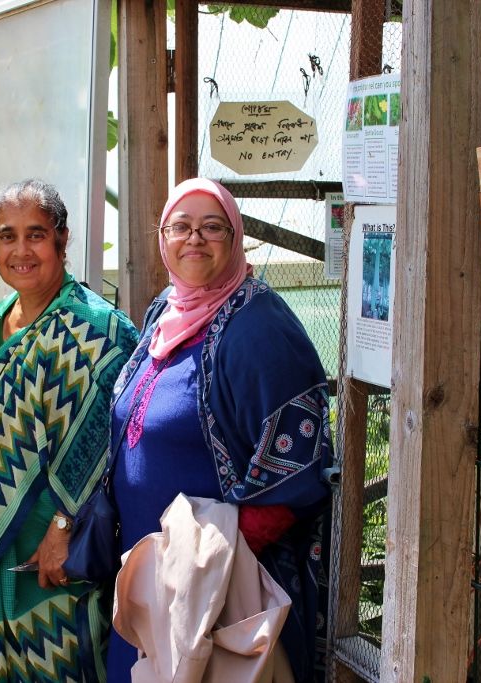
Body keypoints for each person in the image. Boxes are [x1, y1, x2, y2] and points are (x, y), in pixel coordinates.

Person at [107, 178, 332, 683]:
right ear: (161, 238)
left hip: (217, 597)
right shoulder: (166, 311)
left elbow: (298, 465)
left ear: (236, 240)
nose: (195, 239)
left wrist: (215, 560)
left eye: (213, 227)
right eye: (180, 227)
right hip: (156, 587)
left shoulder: (259, 328)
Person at [0, 179, 139, 682]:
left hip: (54, 538)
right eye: (6, 235)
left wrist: (62, 527)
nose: (21, 250)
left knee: (61, 658)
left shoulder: (99, 328)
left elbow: (107, 440)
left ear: (62, 239)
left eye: (35, 235)